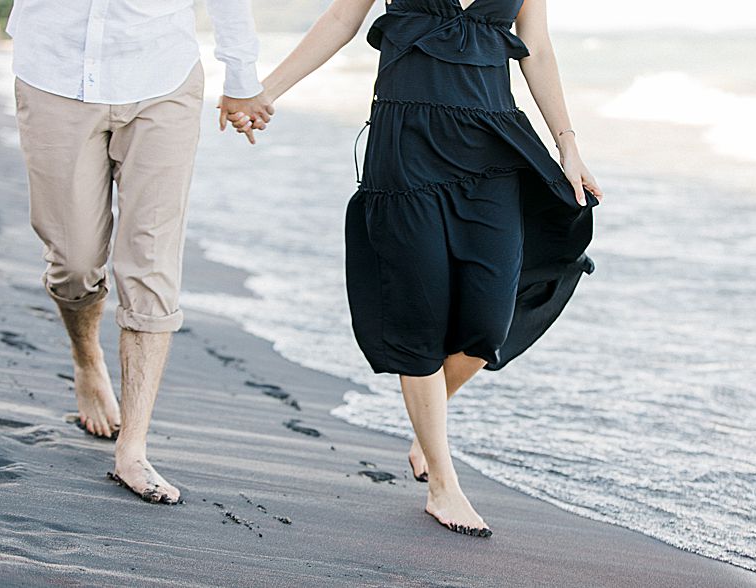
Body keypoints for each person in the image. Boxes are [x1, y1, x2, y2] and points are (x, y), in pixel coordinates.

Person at [222, 0, 601, 537]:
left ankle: (429, 423)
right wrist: (266, 92)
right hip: (406, 146)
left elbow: (536, 48)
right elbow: (341, 20)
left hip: (493, 145)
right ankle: (443, 484)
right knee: (419, 311)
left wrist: (569, 146)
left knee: (489, 320)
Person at [0, 1, 269, 504]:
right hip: (53, 73)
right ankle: (87, 358)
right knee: (73, 263)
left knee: (151, 264)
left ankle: (133, 447)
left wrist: (241, 74)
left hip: (161, 76)